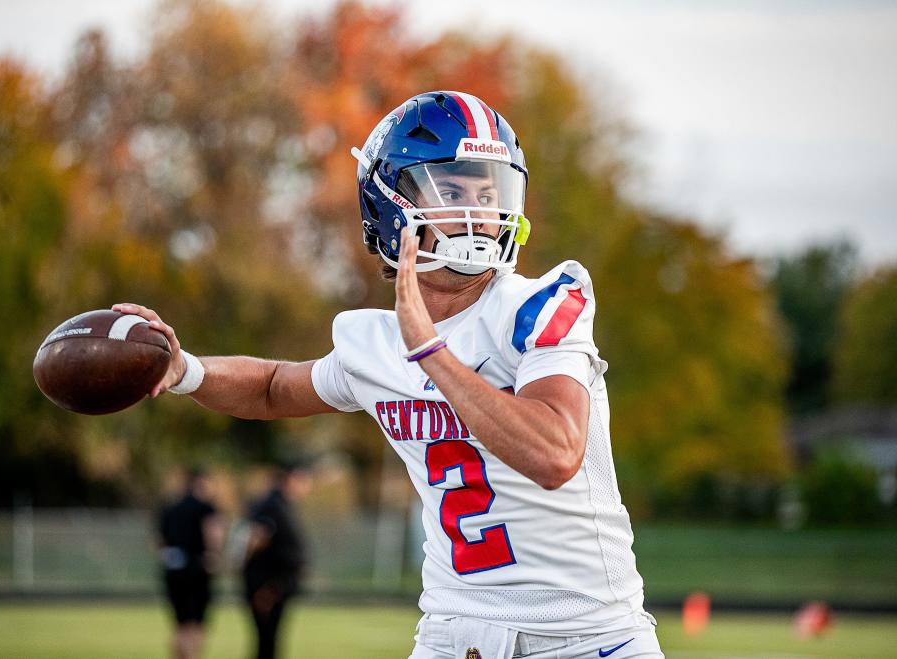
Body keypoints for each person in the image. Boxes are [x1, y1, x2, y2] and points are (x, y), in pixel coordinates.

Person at [118, 90, 663, 659]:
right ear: (390, 204)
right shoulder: (374, 343)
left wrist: (430, 349)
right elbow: (273, 387)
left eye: (489, 191)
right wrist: (184, 370)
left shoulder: (542, 305)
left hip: (586, 633)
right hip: (455, 629)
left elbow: (555, 453)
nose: (478, 211)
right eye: (451, 190)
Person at [242, 461, 312, 659]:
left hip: (277, 584)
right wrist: (263, 587)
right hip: (267, 585)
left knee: (271, 640)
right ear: (290, 478)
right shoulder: (273, 505)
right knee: (266, 640)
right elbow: (256, 539)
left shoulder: (284, 504)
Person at [158, 468, 224, 659]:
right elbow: (213, 531)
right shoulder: (206, 508)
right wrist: (214, 556)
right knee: (196, 623)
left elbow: (158, 542)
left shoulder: (170, 508)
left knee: (180, 624)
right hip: (197, 570)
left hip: (173, 570)